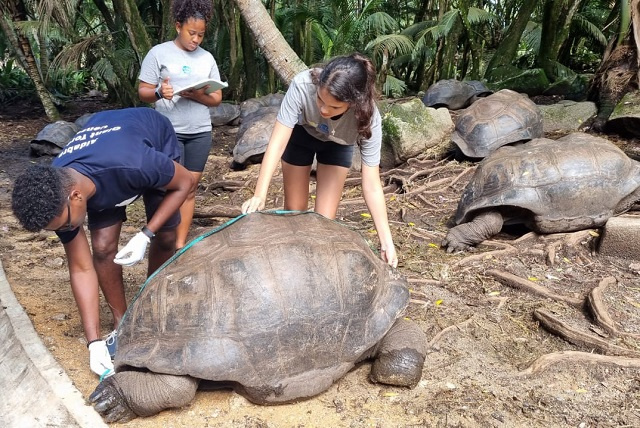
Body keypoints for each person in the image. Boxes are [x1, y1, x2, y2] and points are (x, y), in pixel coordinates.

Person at [11, 108, 194, 379]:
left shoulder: (134, 163)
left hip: (147, 140)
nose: (66, 231)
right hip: (104, 168)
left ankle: (149, 306)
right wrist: (94, 343)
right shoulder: (56, 195)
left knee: (165, 236)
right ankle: (122, 321)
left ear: (76, 197)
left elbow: (185, 183)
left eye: (65, 225)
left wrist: (146, 233)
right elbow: (81, 268)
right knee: (103, 247)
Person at [242, 53, 398, 268]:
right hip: (302, 135)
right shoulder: (302, 84)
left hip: (338, 145)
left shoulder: (369, 118)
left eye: (334, 107)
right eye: (320, 100)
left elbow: (371, 184)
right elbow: (277, 143)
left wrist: (386, 240)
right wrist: (260, 195)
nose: (324, 110)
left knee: (323, 224)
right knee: (294, 214)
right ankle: (292, 267)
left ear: (354, 104)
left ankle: (313, 270)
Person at [138, 0, 223, 251]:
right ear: (178, 26)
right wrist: (158, 92)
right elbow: (143, 91)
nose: (196, 39)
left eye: (201, 34)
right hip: (168, 132)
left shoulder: (206, 58)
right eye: (191, 33)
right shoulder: (159, 53)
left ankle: (179, 245)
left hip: (199, 132)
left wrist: (198, 95)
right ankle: (160, 241)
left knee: (190, 188)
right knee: (168, 186)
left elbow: (216, 98)